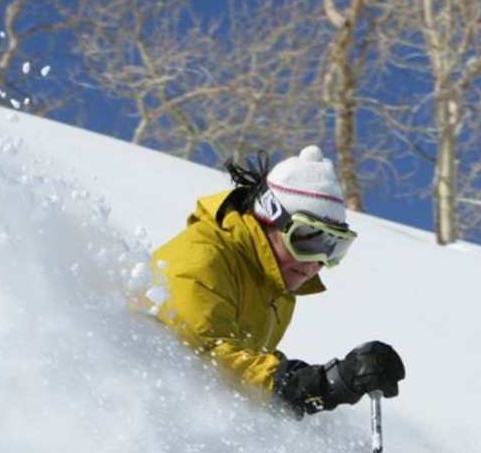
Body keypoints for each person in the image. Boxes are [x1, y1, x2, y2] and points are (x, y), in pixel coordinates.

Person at [147, 145, 405, 417]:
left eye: (333, 248)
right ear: (268, 215)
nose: (315, 264)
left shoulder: (273, 283)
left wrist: (333, 379)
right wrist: (316, 384)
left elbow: (249, 362)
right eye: (306, 240)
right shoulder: (200, 260)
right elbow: (208, 359)